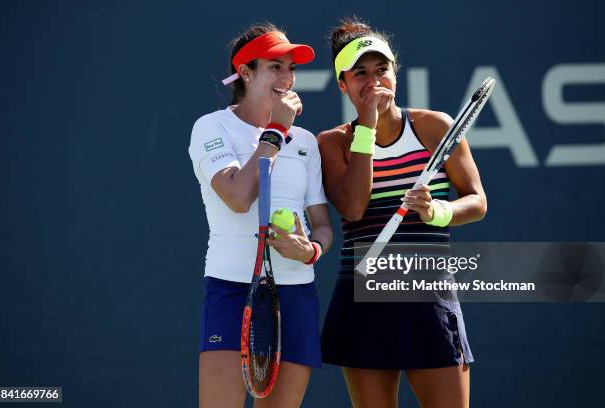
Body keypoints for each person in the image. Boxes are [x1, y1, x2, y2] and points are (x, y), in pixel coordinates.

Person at [318, 18, 487, 408]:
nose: (374, 81)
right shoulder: (331, 143)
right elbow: (354, 207)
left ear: (396, 73)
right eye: (360, 74)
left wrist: (437, 211)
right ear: (343, 84)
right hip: (363, 299)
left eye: (382, 70)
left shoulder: (434, 126)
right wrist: (367, 128)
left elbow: (476, 200)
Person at [188, 23, 333, 408]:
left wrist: (311, 250)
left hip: (297, 292)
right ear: (246, 74)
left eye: (290, 68)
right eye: (274, 67)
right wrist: (276, 130)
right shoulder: (211, 127)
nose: (286, 78)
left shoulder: (305, 142)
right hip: (232, 288)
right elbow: (237, 196)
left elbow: (321, 223)